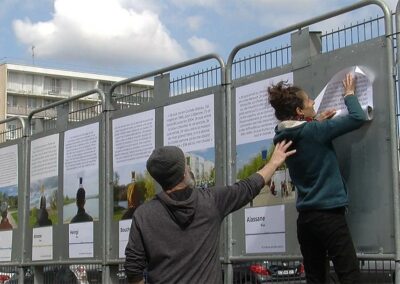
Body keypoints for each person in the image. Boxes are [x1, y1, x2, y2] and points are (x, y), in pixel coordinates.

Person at [124, 142, 295, 284]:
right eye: (186, 163)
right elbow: (247, 187)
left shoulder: (144, 215)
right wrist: (273, 163)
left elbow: (133, 269)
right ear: (184, 172)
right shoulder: (210, 201)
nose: (189, 166)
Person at [268, 73, 365, 283]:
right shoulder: (316, 131)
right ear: (299, 111)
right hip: (330, 216)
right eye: (309, 100)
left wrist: (315, 121)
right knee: (349, 275)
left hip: (306, 220)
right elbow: (358, 117)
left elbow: (303, 133)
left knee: (315, 278)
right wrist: (349, 94)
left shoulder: (282, 137)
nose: (313, 102)